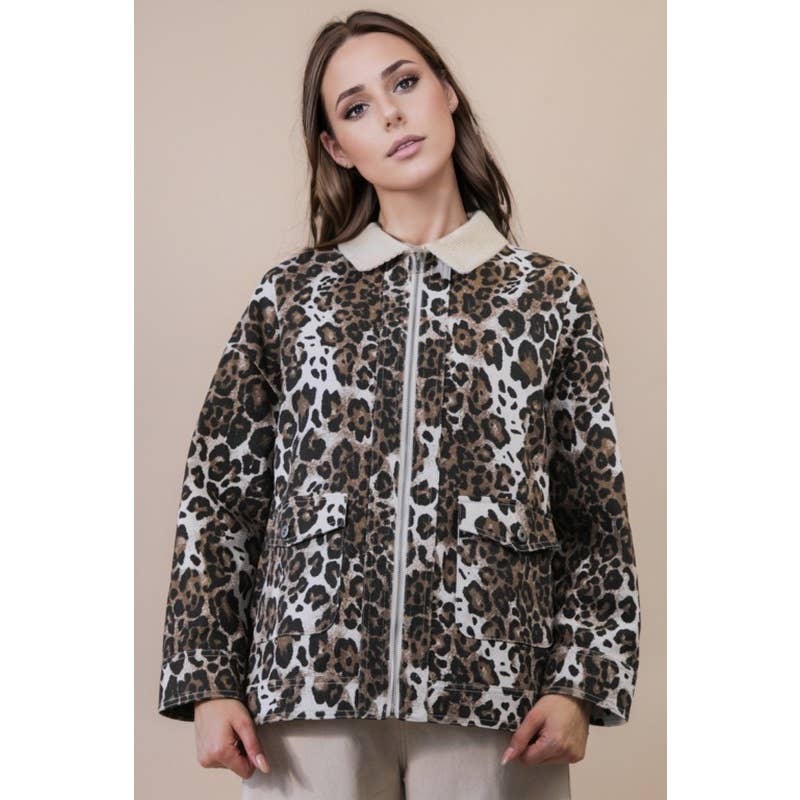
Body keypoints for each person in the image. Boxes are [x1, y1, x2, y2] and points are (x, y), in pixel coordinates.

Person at [156, 10, 641, 799]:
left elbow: (593, 511)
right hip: (310, 685)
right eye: (356, 107)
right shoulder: (293, 298)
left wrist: (580, 681)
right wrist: (209, 681)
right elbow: (219, 495)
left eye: (405, 83)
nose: (390, 114)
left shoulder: (549, 295)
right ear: (337, 148)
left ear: (447, 92)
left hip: (493, 691)